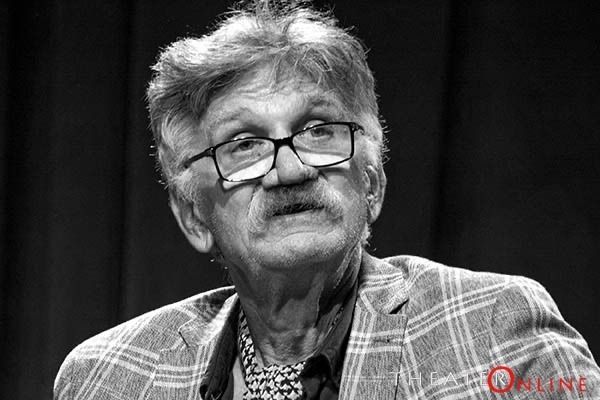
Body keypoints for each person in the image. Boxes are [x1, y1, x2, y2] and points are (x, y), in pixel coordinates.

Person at [54, 1, 599, 399]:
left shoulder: (495, 334)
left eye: (319, 131)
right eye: (244, 144)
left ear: (373, 183)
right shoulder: (108, 377)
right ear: (194, 215)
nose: (290, 170)